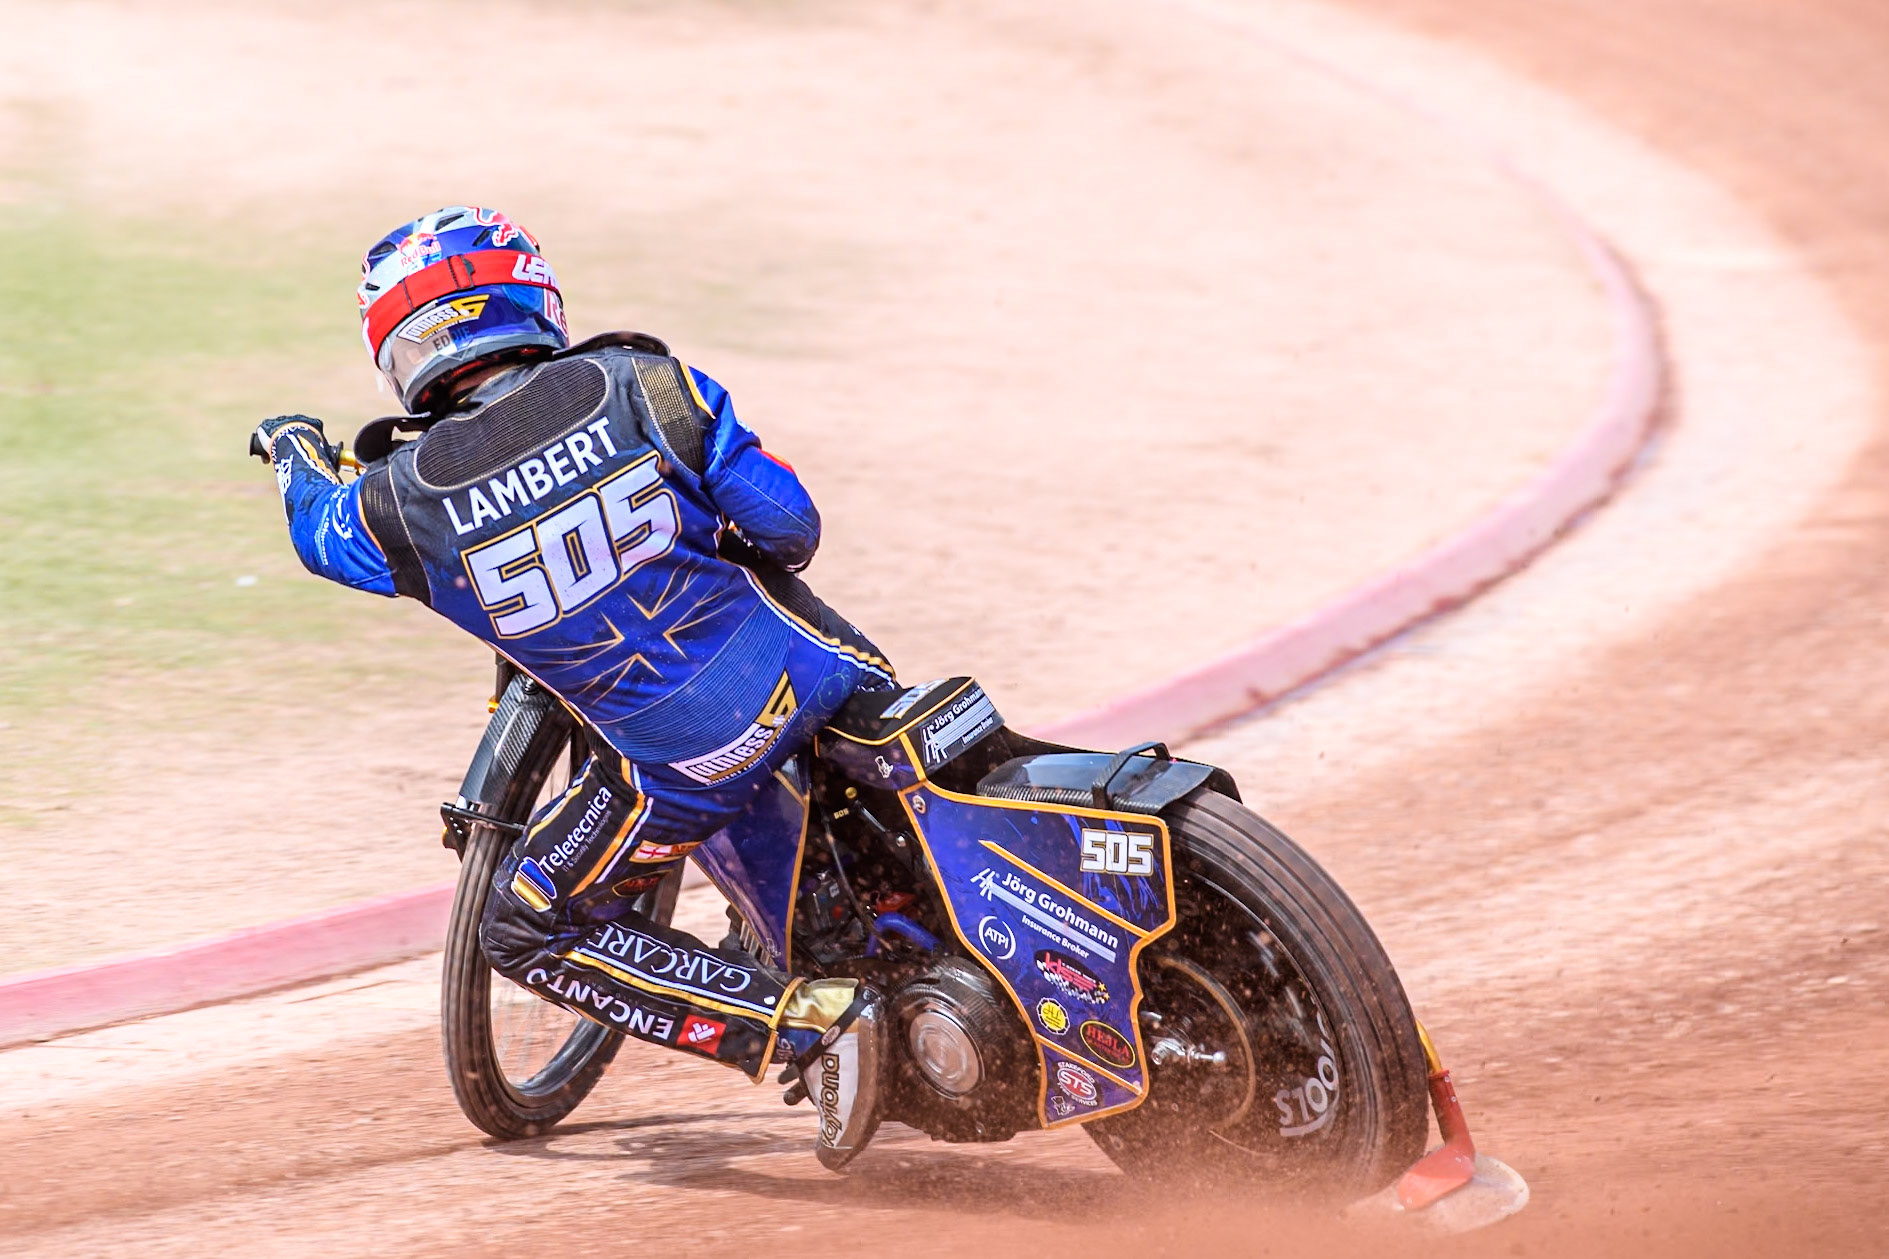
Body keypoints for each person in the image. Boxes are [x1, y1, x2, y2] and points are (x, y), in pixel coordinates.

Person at [252, 206, 890, 1168]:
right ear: (527, 295)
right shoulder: (647, 381)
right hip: (833, 673)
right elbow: (789, 528)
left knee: (520, 923)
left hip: (684, 764)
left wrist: (296, 450)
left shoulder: (396, 500)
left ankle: (806, 1023)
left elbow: (317, 531)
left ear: (399, 345)